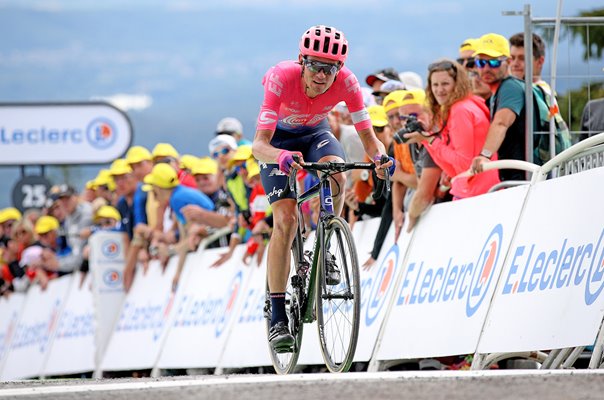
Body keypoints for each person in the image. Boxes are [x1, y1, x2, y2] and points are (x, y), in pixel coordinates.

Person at [252, 25, 393, 352]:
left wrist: (382, 159)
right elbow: (258, 145)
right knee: (285, 221)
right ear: (301, 61)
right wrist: (280, 155)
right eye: (315, 65)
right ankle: (276, 315)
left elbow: (369, 140)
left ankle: (325, 242)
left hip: (316, 134)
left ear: (339, 69)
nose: (322, 74)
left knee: (337, 174)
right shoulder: (280, 77)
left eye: (330, 68)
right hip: (277, 142)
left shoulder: (348, 83)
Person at [403, 60, 500, 200]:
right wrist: (426, 140)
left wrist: (431, 140)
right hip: (476, 191)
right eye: (435, 84)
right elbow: (453, 170)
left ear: (457, 84)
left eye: (445, 84)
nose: (439, 90)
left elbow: (463, 164)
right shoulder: (468, 103)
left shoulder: (460, 110)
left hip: (476, 195)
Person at [142, 163, 223, 289]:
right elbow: (185, 238)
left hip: (218, 235)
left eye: (153, 189)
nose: (152, 194)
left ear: (158, 188)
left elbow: (189, 240)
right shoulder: (178, 195)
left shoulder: (177, 199)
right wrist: (177, 273)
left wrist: (169, 252)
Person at [470, 33, 528, 182]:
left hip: (524, 177)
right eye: (481, 63)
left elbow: (502, 123)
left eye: (494, 63)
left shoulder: (510, 87)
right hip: (518, 175)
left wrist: (484, 156)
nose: (486, 68)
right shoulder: (498, 91)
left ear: (508, 62)